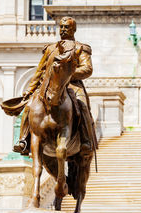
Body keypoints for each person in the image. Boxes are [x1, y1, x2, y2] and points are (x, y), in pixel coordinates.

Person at [13, 16, 96, 156]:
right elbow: (40, 71)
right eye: (61, 27)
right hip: (49, 85)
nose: (63, 30)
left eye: (67, 27)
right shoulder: (50, 49)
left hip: (72, 85)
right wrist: (30, 89)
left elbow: (87, 69)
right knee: (29, 105)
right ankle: (23, 140)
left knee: (82, 105)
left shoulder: (81, 48)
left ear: (73, 29)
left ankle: (86, 140)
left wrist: (67, 74)